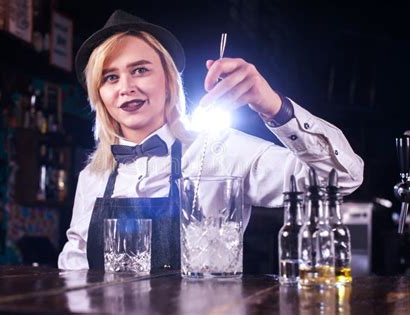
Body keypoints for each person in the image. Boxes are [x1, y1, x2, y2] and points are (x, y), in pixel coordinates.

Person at [58, 10, 364, 270]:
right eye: (110, 77)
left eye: (140, 70)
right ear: (98, 93)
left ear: (169, 81)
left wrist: (272, 105)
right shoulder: (93, 176)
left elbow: (342, 178)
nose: (125, 87)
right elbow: (74, 263)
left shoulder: (221, 150)